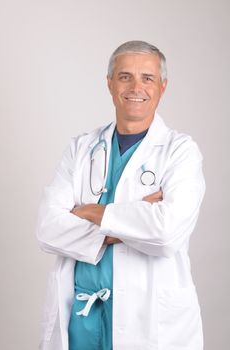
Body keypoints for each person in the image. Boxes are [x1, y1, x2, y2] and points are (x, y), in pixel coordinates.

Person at [37, 40, 205, 350]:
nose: (136, 87)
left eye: (148, 78)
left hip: (150, 322)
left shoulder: (181, 151)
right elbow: (48, 229)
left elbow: (166, 234)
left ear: (163, 87)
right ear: (110, 83)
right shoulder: (81, 148)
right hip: (80, 322)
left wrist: (89, 211)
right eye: (125, 76)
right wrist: (133, 215)